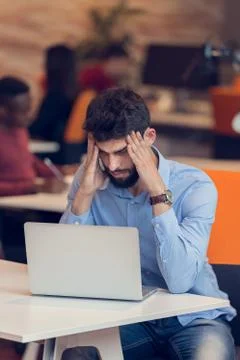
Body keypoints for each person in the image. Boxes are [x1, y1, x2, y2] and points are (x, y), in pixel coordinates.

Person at [60, 88, 236, 360]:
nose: (113, 164)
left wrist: (157, 191)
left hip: (193, 319)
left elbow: (179, 281)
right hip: (129, 318)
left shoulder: (194, 186)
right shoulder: (93, 178)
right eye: (103, 153)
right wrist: (84, 194)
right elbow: (65, 268)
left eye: (121, 151)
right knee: (76, 353)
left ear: (149, 137)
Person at [0, 76, 66, 262]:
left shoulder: (19, 128)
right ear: (3, 111)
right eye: (23, 111)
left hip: (31, 205)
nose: (30, 115)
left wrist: (57, 170)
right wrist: (34, 187)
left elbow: (27, 158)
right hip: (10, 216)